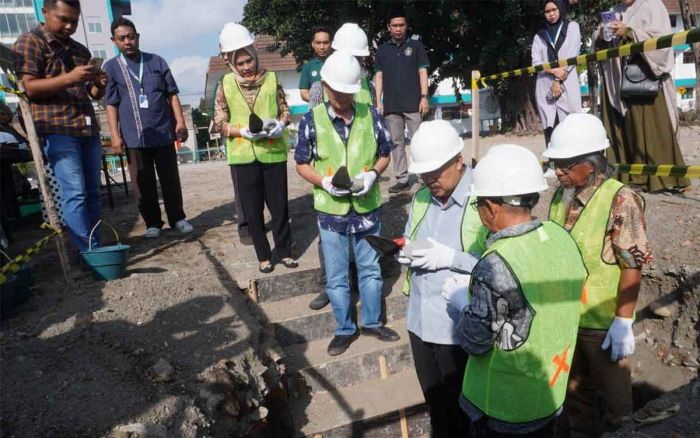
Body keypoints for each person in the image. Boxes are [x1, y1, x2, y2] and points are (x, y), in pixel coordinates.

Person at [452, 144, 587, 437]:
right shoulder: (560, 236)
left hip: (502, 407)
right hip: (550, 391)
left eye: (478, 206)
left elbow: (475, 342)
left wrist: (462, 304)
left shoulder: (496, 263)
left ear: (491, 207)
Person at [544, 113, 651, 437]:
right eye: (556, 164)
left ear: (591, 164)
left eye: (565, 165)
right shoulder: (561, 196)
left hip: (601, 323)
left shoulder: (621, 199)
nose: (557, 171)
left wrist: (623, 321)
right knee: (576, 400)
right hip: (566, 317)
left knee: (618, 407)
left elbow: (632, 264)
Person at [295, 52, 399, 356]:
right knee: (338, 277)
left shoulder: (371, 115)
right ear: (325, 87)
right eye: (337, 91)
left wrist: (372, 174)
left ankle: (372, 323)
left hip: (366, 208)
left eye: (348, 92)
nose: (342, 97)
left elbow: (385, 153)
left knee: (370, 269)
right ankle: (343, 329)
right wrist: (323, 182)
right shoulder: (311, 121)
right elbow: (301, 164)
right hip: (331, 212)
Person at [397, 119, 488, 437]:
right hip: (421, 322)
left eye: (435, 171)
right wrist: (407, 251)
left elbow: (501, 265)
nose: (428, 179)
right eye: (424, 173)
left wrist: (452, 259)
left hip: (457, 329)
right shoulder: (421, 197)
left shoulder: (485, 196)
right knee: (436, 407)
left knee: (463, 412)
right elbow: (410, 236)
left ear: (458, 160)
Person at [12, 0, 107, 252]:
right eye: (63, 19)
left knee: (93, 192)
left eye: (74, 21)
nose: (69, 26)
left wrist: (99, 83)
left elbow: (92, 93)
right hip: (57, 130)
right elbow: (28, 87)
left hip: (87, 129)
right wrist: (69, 78)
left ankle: (96, 246)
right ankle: (87, 251)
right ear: (44, 12)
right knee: (74, 193)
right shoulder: (30, 42)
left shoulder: (79, 50)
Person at [214, 23, 297, 274]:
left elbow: (285, 111)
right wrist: (240, 131)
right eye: (240, 63)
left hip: (272, 152)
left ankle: (284, 251)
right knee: (252, 209)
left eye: (248, 60)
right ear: (231, 64)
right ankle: (263, 255)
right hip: (242, 155)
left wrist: (280, 125)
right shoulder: (225, 84)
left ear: (255, 56)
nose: (246, 67)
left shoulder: (271, 78)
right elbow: (219, 122)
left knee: (279, 205)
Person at [306, 22, 375, 311]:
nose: (356, 65)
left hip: (363, 180)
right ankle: (329, 284)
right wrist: (322, 179)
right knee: (330, 239)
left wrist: (371, 172)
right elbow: (313, 135)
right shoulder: (319, 88)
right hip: (331, 181)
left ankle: (359, 279)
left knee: (362, 236)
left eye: (359, 60)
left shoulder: (367, 84)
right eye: (353, 58)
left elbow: (374, 127)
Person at [104, 17, 193, 238]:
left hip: (163, 132)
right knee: (142, 183)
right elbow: (111, 104)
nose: (127, 42)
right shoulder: (112, 68)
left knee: (170, 178)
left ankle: (178, 218)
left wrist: (180, 122)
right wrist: (115, 135)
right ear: (114, 41)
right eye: (121, 38)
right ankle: (152, 223)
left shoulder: (157, 61)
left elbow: (172, 94)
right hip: (134, 137)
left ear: (138, 37)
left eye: (131, 37)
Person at [594, 0, 690, 192]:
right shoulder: (614, 11)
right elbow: (598, 39)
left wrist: (629, 33)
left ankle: (662, 180)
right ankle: (627, 175)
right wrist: (603, 35)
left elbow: (661, 41)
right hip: (617, 80)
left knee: (648, 128)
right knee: (624, 129)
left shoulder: (652, 5)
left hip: (643, 79)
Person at [375, 5, 430, 193]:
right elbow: (379, 76)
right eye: (394, 25)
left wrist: (424, 97)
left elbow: (423, 71)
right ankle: (402, 178)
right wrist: (378, 102)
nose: (398, 29)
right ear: (388, 27)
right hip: (391, 106)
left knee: (418, 141)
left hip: (414, 104)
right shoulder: (382, 50)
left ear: (406, 26)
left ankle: (425, 177)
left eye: (401, 25)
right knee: (396, 143)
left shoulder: (416, 46)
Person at [532, 0, 582, 148]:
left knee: (570, 126)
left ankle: (573, 164)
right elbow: (536, 63)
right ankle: (555, 165)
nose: (551, 14)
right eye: (547, 11)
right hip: (545, 88)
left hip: (567, 83)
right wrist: (554, 71)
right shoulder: (539, 35)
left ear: (560, 9)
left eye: (554, 9)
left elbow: (573, 54)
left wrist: (558, 80)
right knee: (551, 127)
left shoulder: (572, 27)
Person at [299, 26, 331, 104]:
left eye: (325, 43)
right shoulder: (308, 67)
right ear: (313, 44)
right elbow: (304, 93)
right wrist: (320, 101)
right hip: (317, 112)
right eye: (318, 43)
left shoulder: (339, 64)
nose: (322, 47)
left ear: (331, 43)